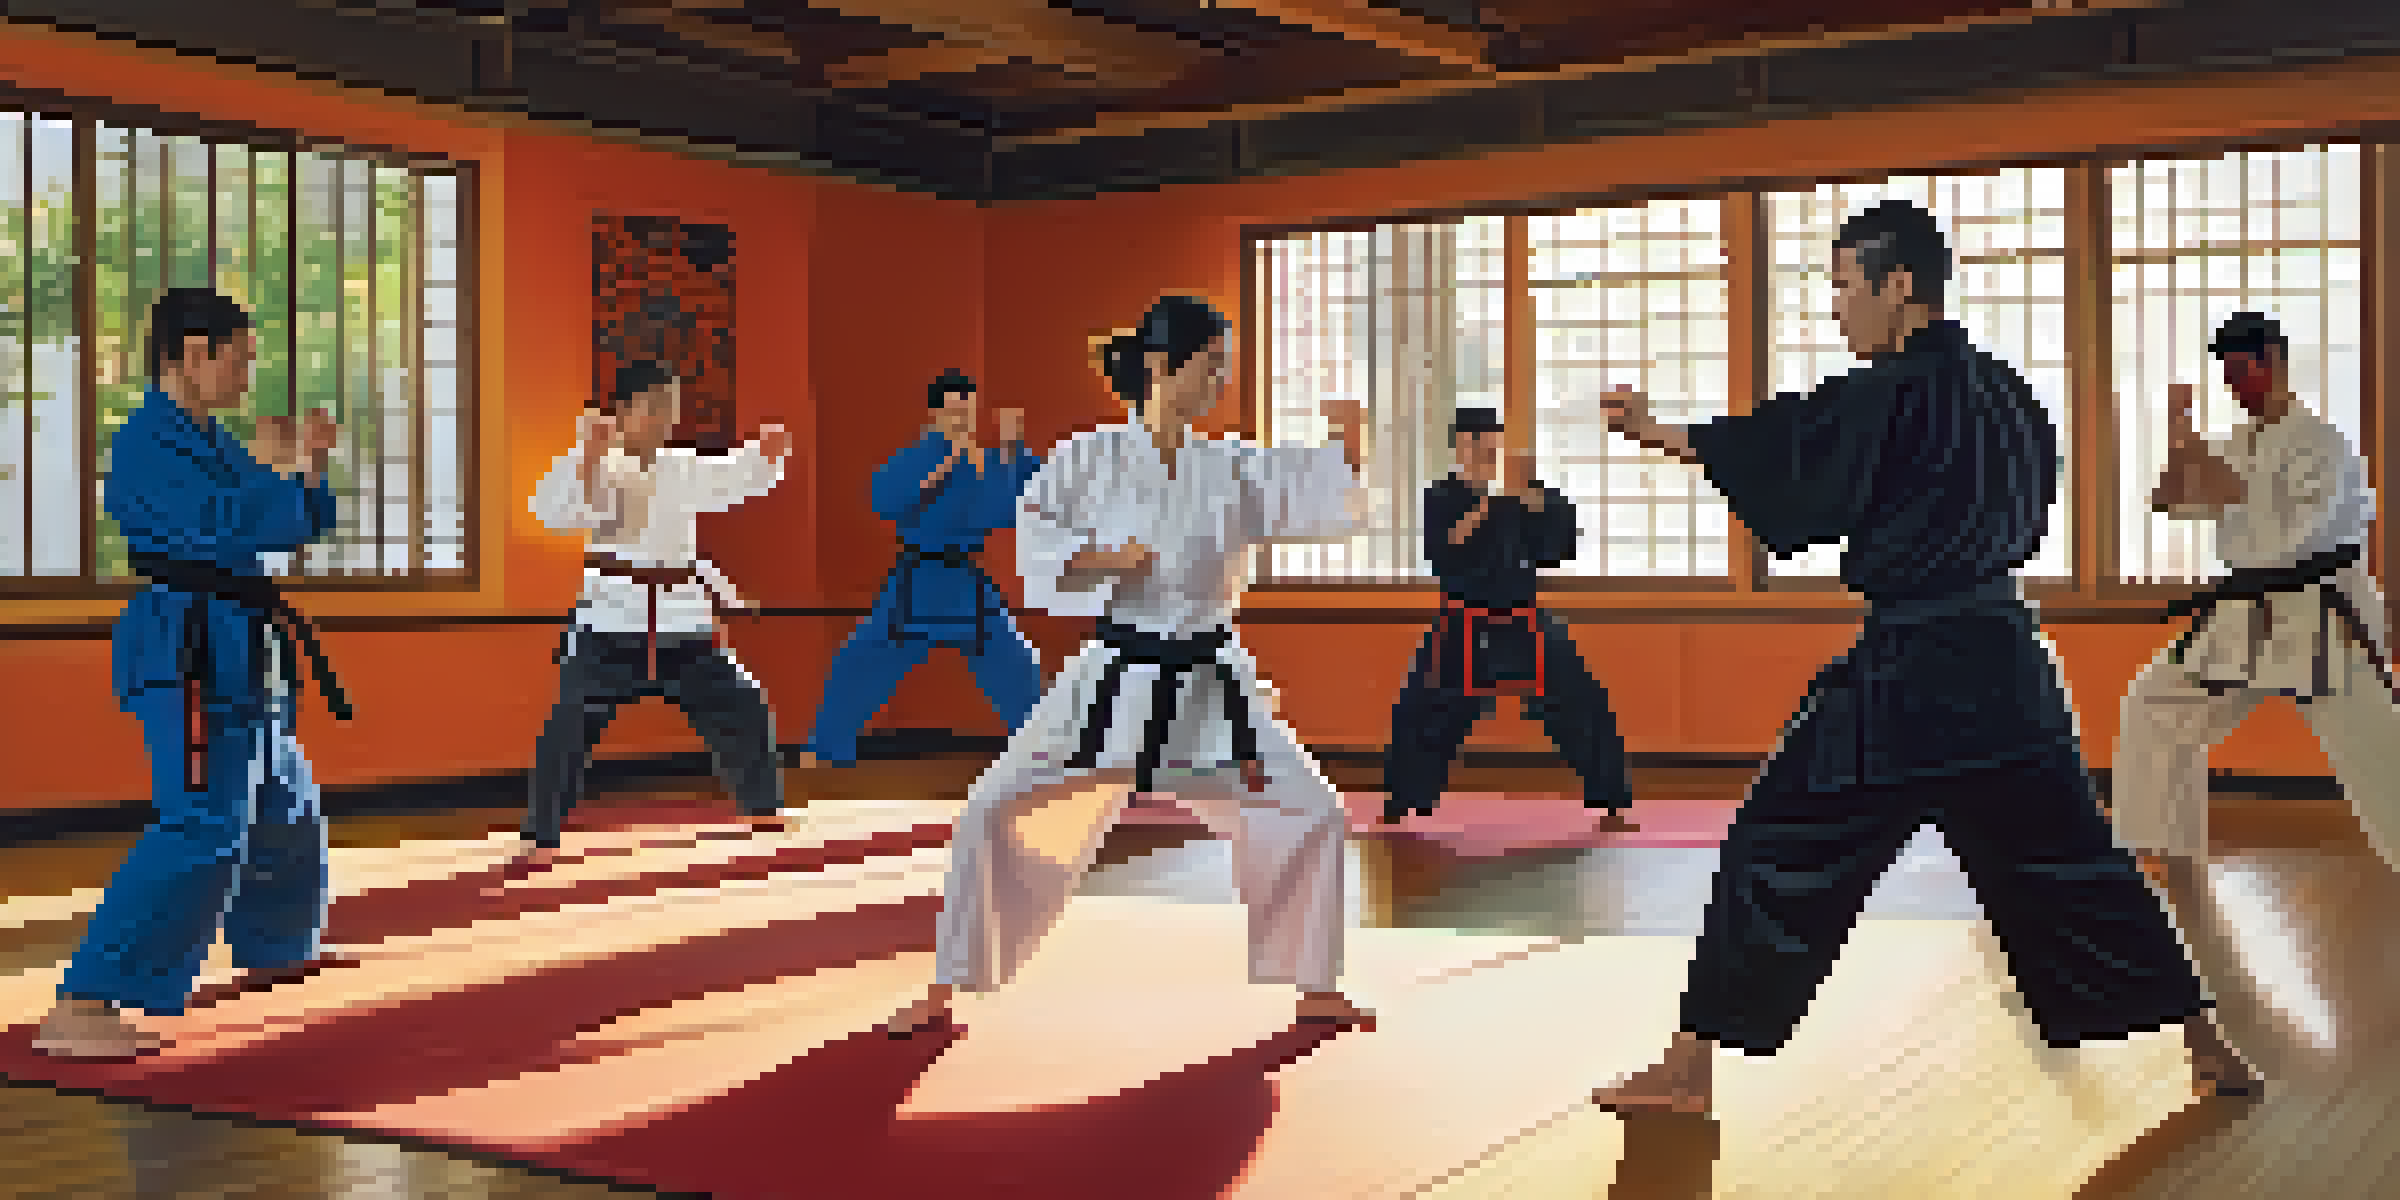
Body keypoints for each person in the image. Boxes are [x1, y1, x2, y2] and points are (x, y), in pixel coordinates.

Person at [1587, 200, 2257, 1115]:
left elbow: (1795, 454)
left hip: (1908, 680)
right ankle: (2209, 1045)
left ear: (1898, 284)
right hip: (2011, 670)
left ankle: (1689, 1073)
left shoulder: (1887, 394)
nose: (1837, 308)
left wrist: (1667, 432)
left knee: (1773, 847)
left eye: (1842, 286)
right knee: (2076, 865)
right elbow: (2021, 510)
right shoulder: (2010, 393)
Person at [882, 294, 1376, 1036]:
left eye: (1224, 369)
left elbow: (1314, 493)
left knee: (1313, 812)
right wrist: (1106, 561)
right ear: (1160, 365)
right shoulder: (1089, 456)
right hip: (1112, 679)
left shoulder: (1230, 462)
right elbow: (1036, 536)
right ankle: (949, 981)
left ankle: (1314, 985)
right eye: (1211, 367)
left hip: (1212, 686)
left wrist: (1346, 442)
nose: (1220, 383)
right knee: (991, 810)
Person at [36, 288, 354, 1059]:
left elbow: (295, 523)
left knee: (286, 802)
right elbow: (228, 529)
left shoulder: (209, 439)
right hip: (187, 649)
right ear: (191, 355)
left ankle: (275, 947)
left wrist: (305, 467)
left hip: (240, 645)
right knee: (204, 823)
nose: (248, 376)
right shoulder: (146, 440)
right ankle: (85, 1002)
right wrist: (279, 470)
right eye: (239, 360)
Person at [2113, 312, 2400, 925]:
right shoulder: (2237, 443)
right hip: (2245, 611)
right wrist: (2179, 434)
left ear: (2277, 360)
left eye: (2249, 365)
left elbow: (2297, 534)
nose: (2240, 380)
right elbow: (2173, 498)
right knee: (2156, 704)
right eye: (2231, 369)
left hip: (2319, 609)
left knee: (2374, 750)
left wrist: (2220, 477)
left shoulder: (2320, 441)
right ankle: (2165, 849)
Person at [523, 360, 794, 866]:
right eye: (654, 405)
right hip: (610, 623)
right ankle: (542, 832)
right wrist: (588, 456)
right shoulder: (592, 461)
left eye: (671, 405)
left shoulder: (682, 466)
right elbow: (555, 514)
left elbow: (735, 477)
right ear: (624, 410)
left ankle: (763, 807)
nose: (666, 417)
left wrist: (766, 457)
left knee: (745, 707)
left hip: (680, 623)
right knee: (568, 724)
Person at [1382, 406, 1635, 828]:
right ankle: (1403, 799)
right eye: (1474, 443)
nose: (1483, 451)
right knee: (1424, 708)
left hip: (1524, 621)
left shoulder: (1524, 493)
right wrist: (1490, 503)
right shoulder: (1441, 495)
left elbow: (1559, 546)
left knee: (1581, 700)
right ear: (1458, 447)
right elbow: (1443, 552)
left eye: (1490, 444)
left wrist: (1527, 496)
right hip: (1462, 621)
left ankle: (1611, 797)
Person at [795, 369, 1045, 771]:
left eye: (967, 413)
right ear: (934, 415)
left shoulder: (989, 460)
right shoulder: (919, 456)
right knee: (862, 661)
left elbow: (1011, 508)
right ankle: (825, 750)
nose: (961, 422)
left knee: (1015, 666)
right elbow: (886, 502)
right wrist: (949, 462)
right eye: (952, 414)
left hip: (966, 583)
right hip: (917, 581)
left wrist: (1015, 449)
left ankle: (1043, 754)